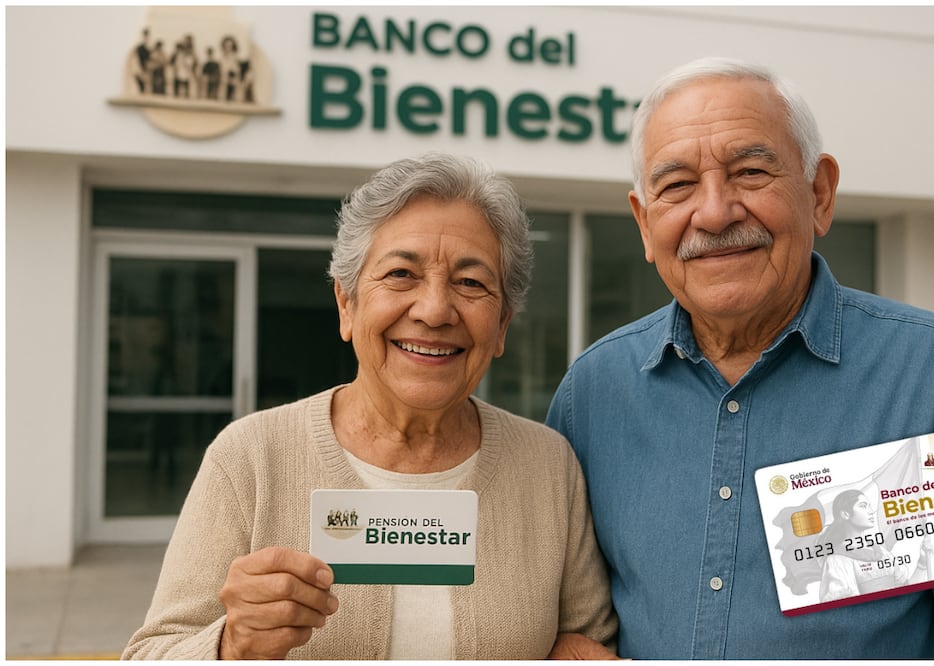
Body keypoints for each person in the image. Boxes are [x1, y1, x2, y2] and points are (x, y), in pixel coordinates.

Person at [545, 56, 934, 658]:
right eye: (677, 185)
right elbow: (571, 616)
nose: (714, 213)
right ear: (644, 222)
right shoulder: (592, 392)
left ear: (819, 194)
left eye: (749, 172)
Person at [123, 153, 617, 660]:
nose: (433, 311)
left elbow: (591, 637)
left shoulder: (549, 466)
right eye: (401, 273)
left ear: (502, 327)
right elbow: (151, 654)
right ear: (347, 304)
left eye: (471, 283)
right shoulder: (250, 457)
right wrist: (231, 645)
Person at [816, 490, 930, 602]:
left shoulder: (882, 553)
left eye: (870, 506)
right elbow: (846, 609)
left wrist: (922, 564)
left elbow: (907, 592)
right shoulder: (837, 560)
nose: (871, 511)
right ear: (845, 514)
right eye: (863, 506)